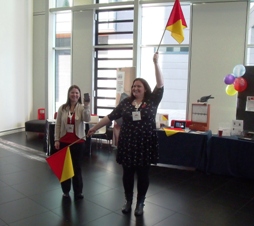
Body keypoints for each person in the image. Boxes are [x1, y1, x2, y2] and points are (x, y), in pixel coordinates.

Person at [87, 52, 164, 216]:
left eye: (139, 86)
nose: (135, 88)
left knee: (143, 175)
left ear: (145, 89)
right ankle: (128, 200)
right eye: (133, 86)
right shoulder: (126, 103)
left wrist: (156, 63)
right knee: (127, 175)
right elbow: (110, 116)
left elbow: (160, 84)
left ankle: (140, 202)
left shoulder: (152, 101)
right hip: (128, 144)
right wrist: (95, 127)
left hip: (145, 144)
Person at [54, 85, 91, 201]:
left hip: (78, 141)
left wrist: (86, 106)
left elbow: (87, 119)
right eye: (72, 92)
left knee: (77, 168)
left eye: (77, 93)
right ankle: (65, 191)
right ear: (68, 94)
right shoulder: (62, 108)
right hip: (64, 141)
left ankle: (78, 191)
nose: (74, 95)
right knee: (65, 168)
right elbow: (58, 124)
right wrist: (56, 139)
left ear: (79, 95)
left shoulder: (81, 107)